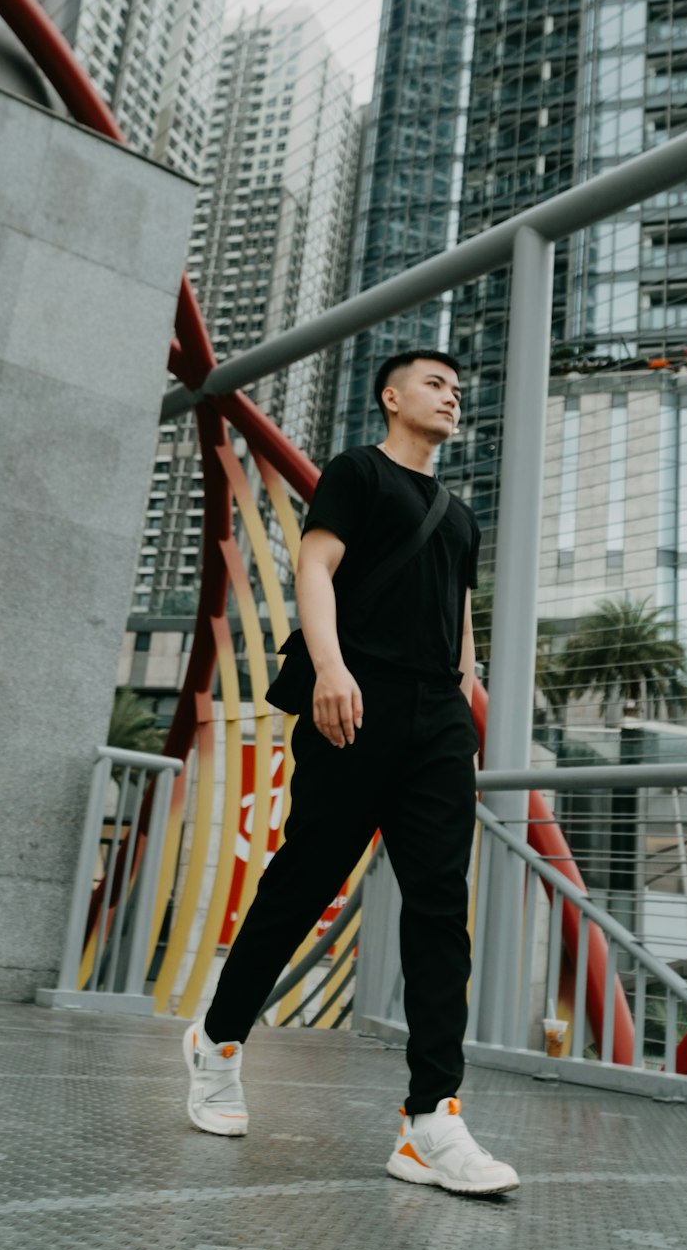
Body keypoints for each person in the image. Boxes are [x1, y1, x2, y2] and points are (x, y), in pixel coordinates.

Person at [183, 349, 520, 1196]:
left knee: (442, 908)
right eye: (435, 383)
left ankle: (431, 1120)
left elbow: (463, 617)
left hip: (437, 719)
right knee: (302, 883)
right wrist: (332, 669)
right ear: (391, 396)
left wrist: (465, 699)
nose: (451, 394)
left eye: (457, 385)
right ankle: (217, 1043)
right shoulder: (357, 473)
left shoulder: (460, 514)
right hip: (354, 700)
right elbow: (316, 567)